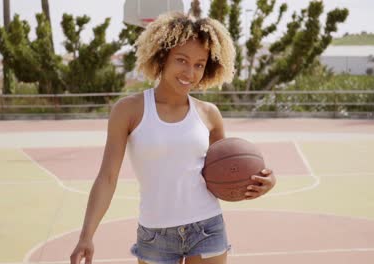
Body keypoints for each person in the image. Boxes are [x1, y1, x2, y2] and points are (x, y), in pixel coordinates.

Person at [70, 12, 276, 264]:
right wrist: (86, 235)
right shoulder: (129, 110)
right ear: (162, 57)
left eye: (199, 64)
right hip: (155, 234)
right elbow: (107, 177)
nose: (190, 72)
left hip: (206, 227)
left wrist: (260, 181)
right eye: (182, 60)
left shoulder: (210, 114)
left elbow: (229, 169)